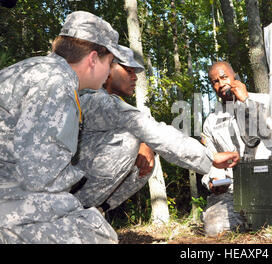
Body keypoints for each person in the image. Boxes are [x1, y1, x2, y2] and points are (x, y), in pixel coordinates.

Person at [0, 11, 129, 244]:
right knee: (98, 234)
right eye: (110, 62)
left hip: (10, 189)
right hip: (9, 200)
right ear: (92, 59)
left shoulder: (35, 69)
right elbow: (39, 179)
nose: (110, 72)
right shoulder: (57, 84)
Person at [72, 46, 240, 213]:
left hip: (76, 180)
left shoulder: (105, 101)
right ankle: (75, 209)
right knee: (131, 141)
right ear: (108, 70)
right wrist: (211, 158)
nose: (135, 78)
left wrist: (145, 144)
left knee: (145, 154)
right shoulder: (98, 101)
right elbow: (156, 133)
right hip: (62, 191)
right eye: (129, 71)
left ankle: (96, 211)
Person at [200, 61, 272, 237]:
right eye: (215, 81)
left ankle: (266, 220)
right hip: (236, 192)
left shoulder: (266, 101)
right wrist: (213, 180)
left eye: (224, 77)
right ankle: (253, 222)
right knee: (215, 228)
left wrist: (247, 102)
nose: (221, 84)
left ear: (235, 76)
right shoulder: (211, 121)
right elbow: (210, 159)